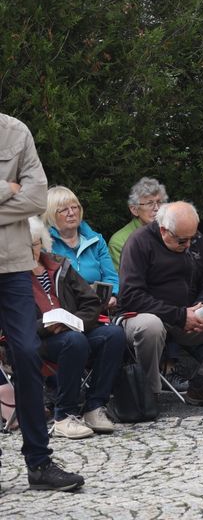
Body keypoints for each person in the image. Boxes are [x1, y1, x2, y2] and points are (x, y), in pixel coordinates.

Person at [0, 110, 85, 491]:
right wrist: (7, 188)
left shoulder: (15, 132)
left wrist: (20, 190)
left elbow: (36, 199)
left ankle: (39, 463)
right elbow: (20, 195)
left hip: (14, 264)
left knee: (28, 353)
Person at [119, 202, 203, 406]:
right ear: (163, 230)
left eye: (192, 238)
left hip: (188, 314)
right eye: (182, 241)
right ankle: (148, 394)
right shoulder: (138, 243)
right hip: (146, 316)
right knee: (150, 326)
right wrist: (179, 316)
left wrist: (202, 306)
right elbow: (131, 296)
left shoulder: (195, 239)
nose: (188, 245)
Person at [29, 217, 123, 440]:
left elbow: (91, 302)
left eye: (33, 243)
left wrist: (73, 320)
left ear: (41, 242)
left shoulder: (59, 264)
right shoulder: (8, 278)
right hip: (34, 339)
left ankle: (94, 406)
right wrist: (46, 325)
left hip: (73, 329)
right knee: (74, 341)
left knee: (114, 334)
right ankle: (65, 415)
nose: (29, 249)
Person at [43, 186, 119, 308]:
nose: (71, 213)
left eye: (74, 207)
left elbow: (110, 276)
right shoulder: (45, 245)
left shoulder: (96, 240)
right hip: (64, 307)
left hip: (98, 306)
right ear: (50, 214)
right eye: (64, 210)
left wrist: (112, 295)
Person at [109, 178, 168, 269]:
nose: (157, 208)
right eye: (150, 203)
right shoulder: (119, 242)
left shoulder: (171, 232)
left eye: (159, 202)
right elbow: (125, 280)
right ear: (134, 210)